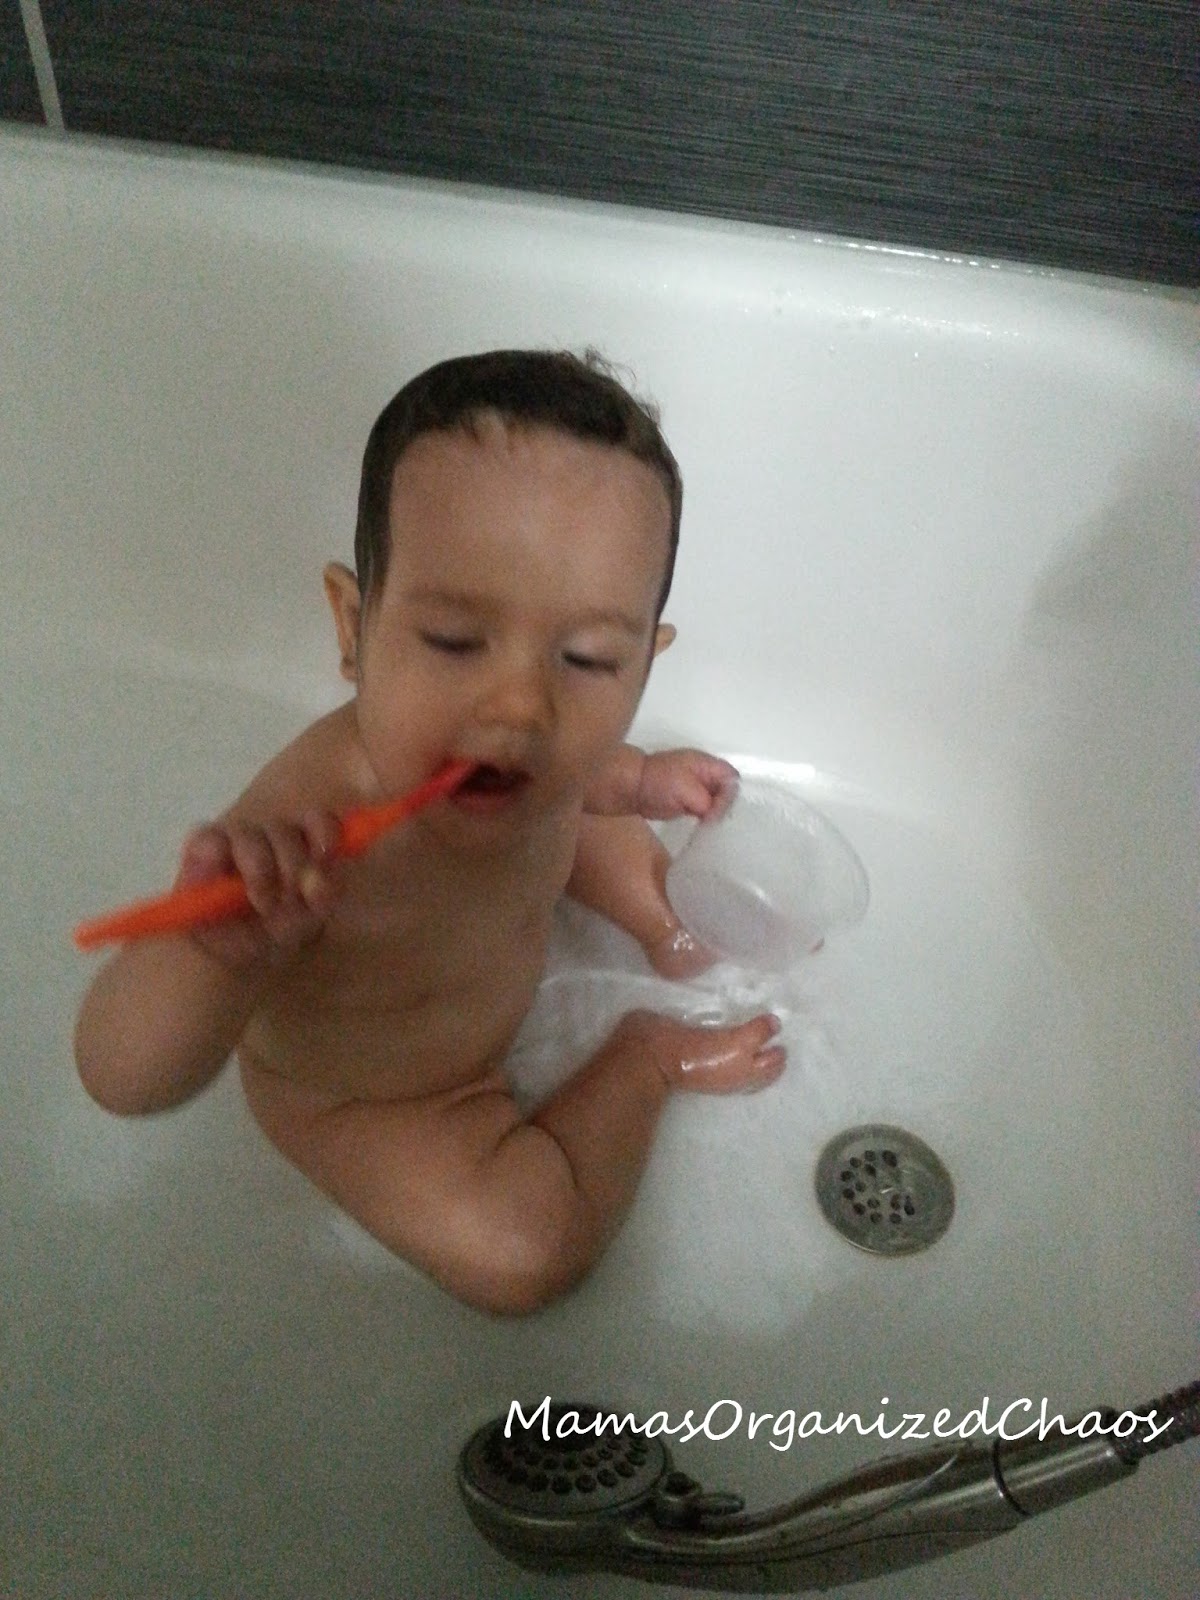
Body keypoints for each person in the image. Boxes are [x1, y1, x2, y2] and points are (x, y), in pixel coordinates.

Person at [73, 349, 786, 1315]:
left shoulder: (537, 762)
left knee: (576, 801)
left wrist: (643, 779)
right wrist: (212, 955)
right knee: (523, 1254)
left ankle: (661, 920)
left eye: (587, 660)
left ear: (646, 663)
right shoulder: (305, 834)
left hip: (506, 946)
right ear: (353, 627)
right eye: (454, 641)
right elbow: (117, 1078)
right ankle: (647, 1058)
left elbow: (586, 779)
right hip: (382, 1096)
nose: (522, 707)